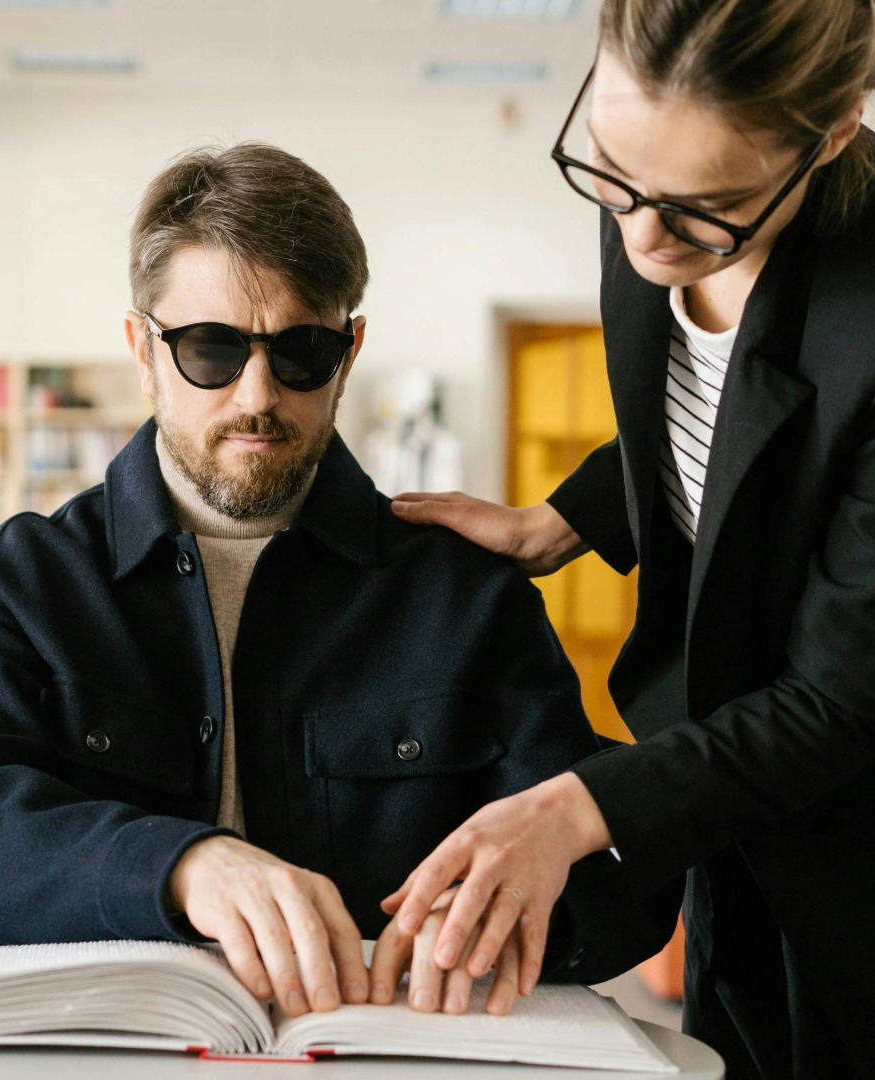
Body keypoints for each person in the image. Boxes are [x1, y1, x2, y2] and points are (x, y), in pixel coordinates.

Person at [0, 142, 677, 1022]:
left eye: (301, 352)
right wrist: (182, 865)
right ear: (140, 350)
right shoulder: (13, 584)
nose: (257, 394)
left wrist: (510, 916)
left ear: (350, 350)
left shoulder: (465, 594)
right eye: (211, 349)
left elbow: (609, 876)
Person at [383, 2, 875, 1075]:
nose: (644, 236)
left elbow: (840, 701)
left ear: (832, 134)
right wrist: (560, 520)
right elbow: (713, 427)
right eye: (610, 173)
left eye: (709, 212)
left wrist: (574, 812)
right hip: (726, 805)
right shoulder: (655, 189)